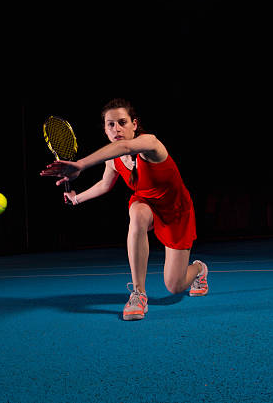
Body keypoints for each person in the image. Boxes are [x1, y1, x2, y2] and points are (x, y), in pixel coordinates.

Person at [40, 98, 208, 320]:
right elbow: (104, 184)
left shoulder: (151, 144)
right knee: (136, 213)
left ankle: (199, 269)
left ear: (134, 124)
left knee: (175, 286)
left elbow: (125, 146)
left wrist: (80, 164)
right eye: (110, 124)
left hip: (176, 212)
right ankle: (139, 294)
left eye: (122, 122)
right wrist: (76, 198)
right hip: (146, 204)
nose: (116, 128)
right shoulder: (114, 160)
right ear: (105, 129)